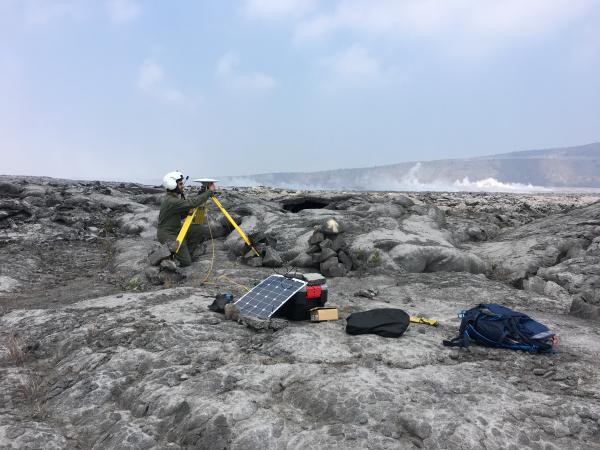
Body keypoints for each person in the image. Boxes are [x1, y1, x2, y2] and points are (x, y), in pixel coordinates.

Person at [156, 171, 216, 267]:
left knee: (199, 229)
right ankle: (167, 257)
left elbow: (184, 213)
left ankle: (187, 251)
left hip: (176, 229)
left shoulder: (173, 198)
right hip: (168, 233)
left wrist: (201, 195)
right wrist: (209, 192)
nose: (183, 186)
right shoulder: (171, 201)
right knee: (186, 262)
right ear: (172, 185)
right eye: (180, 184)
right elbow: (191, 203)